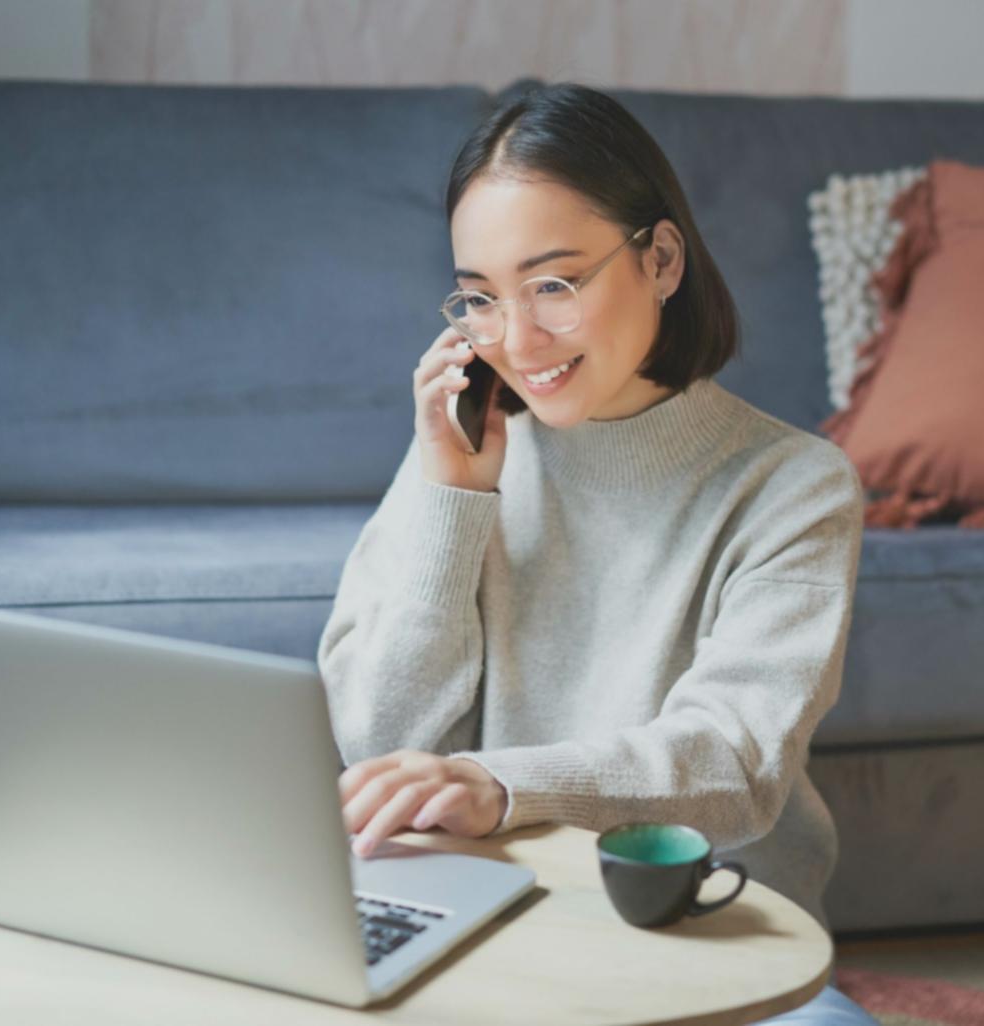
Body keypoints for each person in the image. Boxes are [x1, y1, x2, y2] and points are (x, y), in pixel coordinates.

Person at [317, 83, 875, 1024]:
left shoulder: (793, 485)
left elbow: (733, 763)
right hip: (501, 931)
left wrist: (503, 785)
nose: (518, 340)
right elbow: (380, 748)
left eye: (554, 284)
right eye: (481, 298)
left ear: (660, 259)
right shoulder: (462, 457)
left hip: (708, 939)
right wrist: (452, 501)